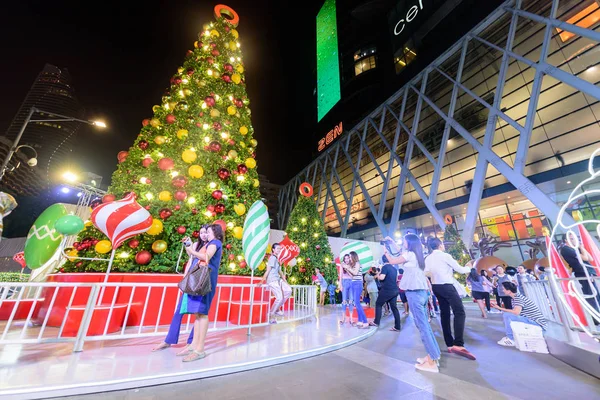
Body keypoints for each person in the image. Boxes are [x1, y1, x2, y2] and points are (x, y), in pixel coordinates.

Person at [165, 224, 223, 362]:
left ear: (215, 232)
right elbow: (194, 255)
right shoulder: (208, 243)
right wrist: (189, 247)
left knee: (202, 314)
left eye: (208, 232)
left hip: (205, 280)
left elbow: (206, 257)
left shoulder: (215, 243)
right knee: (197, 314)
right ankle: (193, 346)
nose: (205, 235)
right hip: (200, 280)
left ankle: (200, 349)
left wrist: (192, 249)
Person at [385, 234, 441, 373]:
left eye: (404, 241)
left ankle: (432, 362)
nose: (402, 242)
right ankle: (433, 356)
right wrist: (392, 242)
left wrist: (385, 250)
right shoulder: (417, 254)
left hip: (415, 293)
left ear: (409, 243)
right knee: (425, 326)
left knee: (422, 326)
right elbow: (401, 252)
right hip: (421, 292)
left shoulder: (409, 254)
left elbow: (392, 261)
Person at [152, 225, 209, 354]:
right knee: (179, 311)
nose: (203, 235)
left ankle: (191, 342)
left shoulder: (211, 246)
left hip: (200, 282)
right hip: (190, 280)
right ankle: (168, 340)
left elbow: (203, 258)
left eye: (206, 232)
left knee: (199, 314)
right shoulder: (196, 244)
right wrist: (188, 244)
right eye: (201, 232)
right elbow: (190, 255)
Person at [424, 237, 475, 361]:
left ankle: (449, 343)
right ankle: (458, 343)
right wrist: (469, 267)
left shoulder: (428, 258)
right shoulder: (445, 256)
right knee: (459, 312)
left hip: (436, 287)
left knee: (445, 313)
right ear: (440, 245)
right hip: (447, 286)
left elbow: (426, 273)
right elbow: (460, 270)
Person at [492, 281, 548, 347]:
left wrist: (500, 308)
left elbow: (516, 312)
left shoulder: (518, 298)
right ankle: (511, 337)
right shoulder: (516, 298)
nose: (502, 290)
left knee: (507, 315)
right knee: (508, 315)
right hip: (534, 320)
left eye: (503, 289)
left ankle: (511, 339)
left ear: (509, 290)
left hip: (537, 322)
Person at [560, 234, 600, 319]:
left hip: (589, 272)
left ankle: (597, 314)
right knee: (590, 294)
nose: (574, 240)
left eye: (575, 238)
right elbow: (585, 258)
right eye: (572, 239)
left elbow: (590, 258)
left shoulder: (575, 248)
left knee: (596, 294)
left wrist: (581, 247)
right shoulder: (566, 249)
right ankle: (595, 317)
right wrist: (581, 248)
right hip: (582, 273)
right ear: (566, 240)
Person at [260, 243, 291, 321]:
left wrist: (286, 282)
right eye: (278, 249)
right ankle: (271, 314)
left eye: (280, 249)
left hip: (278, 279)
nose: (279, 250)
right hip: (272, 280)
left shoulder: (277, 259)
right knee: (279, 297)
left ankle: (277, 309)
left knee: (288, 290)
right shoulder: (272, 258)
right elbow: (268, 270)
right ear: (273, 250)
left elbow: (280, 272)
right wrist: (262, 281)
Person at [369, 264, 401, 331]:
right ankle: (397, 326)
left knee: (378, 304)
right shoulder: (394, 268)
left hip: (387, 290)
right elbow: (396, 279)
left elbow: (382, 278)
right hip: (395, 289)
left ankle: (376, 322)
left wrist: (378, 274)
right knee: (394, 308)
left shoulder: (385, 267)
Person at [343, 251, 369, 328]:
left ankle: (365, 321)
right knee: (356, 303)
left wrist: (348, 267)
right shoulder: (353, 265)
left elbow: (355, 272)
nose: (349, 258)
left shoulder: (357, 263)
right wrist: (346, 269)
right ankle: (360, 321)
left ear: (354, 257)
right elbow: (352, 275)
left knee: (357, 303)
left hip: (358, 284)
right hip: (354, 283)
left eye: (350, 257)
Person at [339, 254, 355, 325]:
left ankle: (351, 319)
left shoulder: (352, 265)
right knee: (344, 300)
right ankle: (343, 318)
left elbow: (353, 275)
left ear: (349, 259)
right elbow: (341, 276)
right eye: (345, 259)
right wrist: (340, 285)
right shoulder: (342, 266)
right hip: (344, 282)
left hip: (351, 282)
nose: (346, 260)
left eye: (347, 258)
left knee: (351, 300)